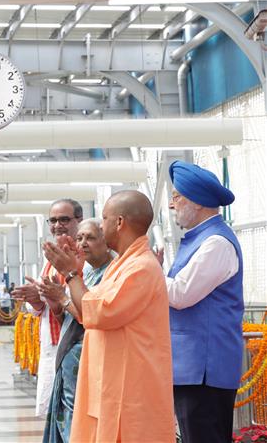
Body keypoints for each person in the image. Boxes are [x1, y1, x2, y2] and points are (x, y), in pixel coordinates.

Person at [43, 190, 175, 442]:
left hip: (131, 388)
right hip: (110, 382)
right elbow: (88, 309)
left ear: (120, 223)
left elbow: (98, 312)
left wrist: (71, 275)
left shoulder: (141, 268)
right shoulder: (122, 265)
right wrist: (74, 274)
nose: (102, 226)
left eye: (104, 219)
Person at [158, 161, 243, 443]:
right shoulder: (201, 240)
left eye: (176, 197)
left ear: (197, 202)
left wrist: (148, 272)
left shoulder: (216, 243)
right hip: (193, 368)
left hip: (205, 370)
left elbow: (181, 295)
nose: (172, 205)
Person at [39, 219, 112, 443]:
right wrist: (56, 301)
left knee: (82, 428)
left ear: (106, 240)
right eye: (80, 238)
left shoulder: (112, 273)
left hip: (91, 364)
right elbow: (69, 315)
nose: (83, 243)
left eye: (90, 237)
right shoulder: (87, 273)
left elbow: (91, 315)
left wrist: (63, 293)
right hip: (69, 361)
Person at [12, 198, 83, 417]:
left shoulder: (84, 254)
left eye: (64, 219)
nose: (57, 225)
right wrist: (35, 299)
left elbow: (85, 301)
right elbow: (42, 307)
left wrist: (55, 298)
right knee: (55, 415)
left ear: (78, 220)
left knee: (74, 412)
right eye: (52, 220)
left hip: (75, 344)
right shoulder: (50, 257)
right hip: (52, 344)